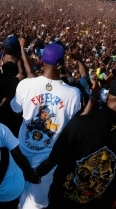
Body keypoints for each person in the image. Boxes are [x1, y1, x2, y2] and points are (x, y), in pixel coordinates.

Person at [35, 79, 116, 208]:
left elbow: (53, 159)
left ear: (107, 98)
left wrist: (34, 173)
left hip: (63, 200)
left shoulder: (80, 123)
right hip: (98, 202)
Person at [10, 42, 82, 209]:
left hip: (21, 154)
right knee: (34, 205)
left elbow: (15, 109)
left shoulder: (25, 85)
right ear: (61, 64)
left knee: (12, 195)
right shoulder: (73, 94)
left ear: (42, 61)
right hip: (47, 161)